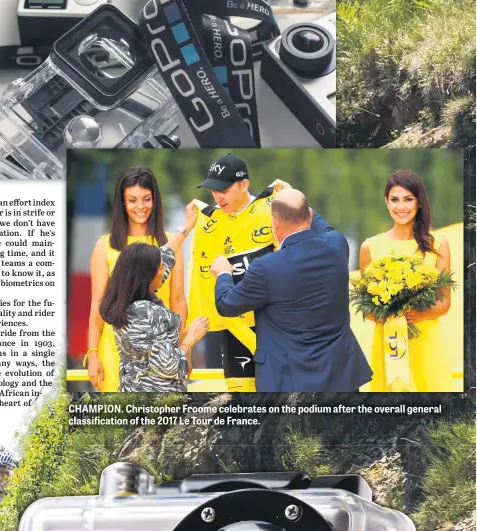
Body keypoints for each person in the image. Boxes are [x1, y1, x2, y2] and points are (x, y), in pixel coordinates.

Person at [212, 189, 372, 392]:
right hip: (340, 376)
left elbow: (226, 304)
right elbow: (324, 227)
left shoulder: (266, 268)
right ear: (310, 215)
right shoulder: (337, 245)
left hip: (288, 382)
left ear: (275, 223)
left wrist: (224, 274)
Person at [187, 154, 286, 392]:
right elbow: (200, 279)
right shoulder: (209, 223)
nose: (218, 196)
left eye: (224, 189)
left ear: (244, 184)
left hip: (274, 324)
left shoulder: (273, 209)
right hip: (235, 328)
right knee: (242, 404)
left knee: (282, 399)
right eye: (213, 190)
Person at [86, 167, 189, 392]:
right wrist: (92, 354)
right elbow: (97, 304)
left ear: (155, 200)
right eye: (132, 200)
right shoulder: (105, 246)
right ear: (122, 202)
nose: (140, 207)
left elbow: (178, 299)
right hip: (115, 347)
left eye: (146, 199)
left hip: (160, 350)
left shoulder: (172, 243)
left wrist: (181, 347)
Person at [360, 170, 452, 392]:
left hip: (427, 341)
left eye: (408, 199)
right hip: (387, 344)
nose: (401, 207)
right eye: (395, 200)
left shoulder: (438, 244)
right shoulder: (369, 247)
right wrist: (389, 313)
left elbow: (444, 303)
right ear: (386, 202)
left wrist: (416, 314)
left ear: (419, 202)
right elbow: (366, 308)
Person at [99, 222, 209, 392]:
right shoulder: (145, 313)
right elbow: (170, 366)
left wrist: (186, 227)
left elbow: (165, 255)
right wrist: (191, 338)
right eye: (160, 266)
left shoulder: (128, 300)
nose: (165, 268)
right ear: (147, 275)